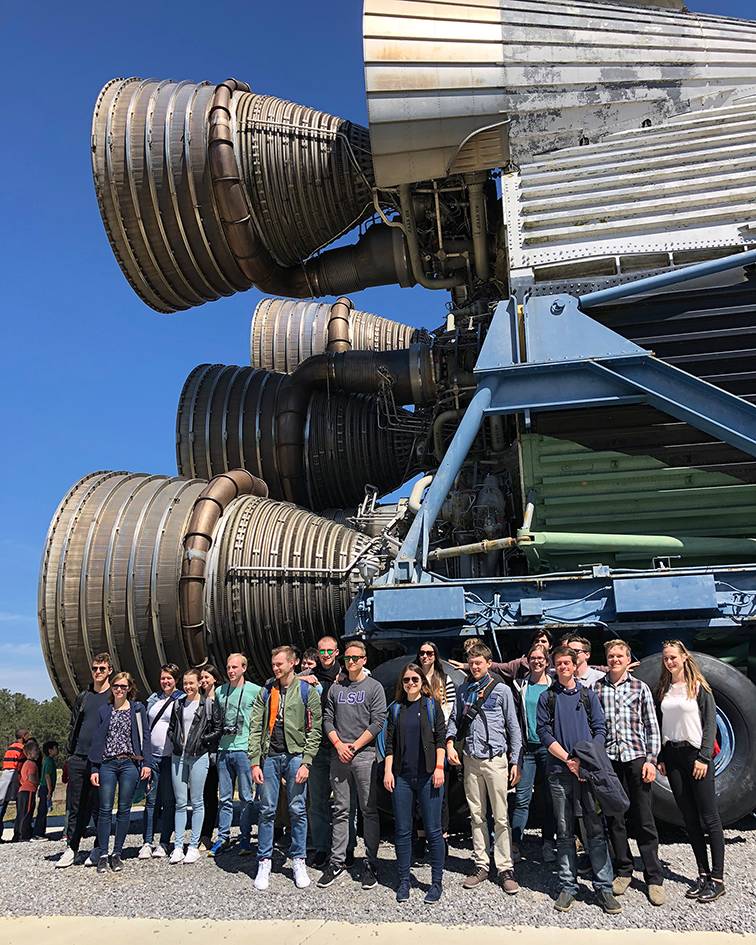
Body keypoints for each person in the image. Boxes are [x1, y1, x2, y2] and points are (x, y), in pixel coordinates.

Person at [536, 645, 620, 915]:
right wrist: (568, 760)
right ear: (554, 666)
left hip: (587, 773)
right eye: (558, 663)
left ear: (574, 665)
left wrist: (585, 759)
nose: (562, 667)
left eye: (567, 663)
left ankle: (604, 887)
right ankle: (568, 886)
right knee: (564, 831)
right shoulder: (547, 698)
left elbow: (600, 728)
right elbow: (544, 733)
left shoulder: (588, 695)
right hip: (560, 772)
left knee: (595, 829)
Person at [447, 642, 522, 895]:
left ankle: (505, 868)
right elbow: (454, 720)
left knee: (500, 817)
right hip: (471, 759)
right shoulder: (463, 689)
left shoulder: (500, 690)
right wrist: (449, 744)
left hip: (495, 760)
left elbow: (513, 726)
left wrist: (515, 761)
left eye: (479, 662)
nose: (475, 666)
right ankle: (481, 864)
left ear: (488, 663)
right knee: (477, 815)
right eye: (472, 662)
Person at [595, 639, 664, 906]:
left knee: (644, 818)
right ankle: (623, 870)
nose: (615, 660)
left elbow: (651, 725)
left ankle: (654, 877)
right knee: (615, 818)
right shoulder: (597, 688)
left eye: (619, 656)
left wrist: (651, 760)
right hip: (610, 760)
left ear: (627, 658)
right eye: (611, 656)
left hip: (636, 758)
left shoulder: (640, 687)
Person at [249, 645, 323, 891]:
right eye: (273, 664)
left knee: (298, 809)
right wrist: (254, 761)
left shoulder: (306, 691)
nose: (275, 668)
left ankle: (298, 860)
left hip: (295, 756)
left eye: (279, 664)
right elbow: (255, 727)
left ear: (293, 663)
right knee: (267, 810)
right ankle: (264, 860)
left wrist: (307, 761)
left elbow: (315, 728)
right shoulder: (266, 692)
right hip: (269, 757)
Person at [656, 640, 724, 902]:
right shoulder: (665, 688)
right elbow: (665, 724)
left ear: (684, 657)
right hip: (673, 756)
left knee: (709, 817)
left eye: (673, 657)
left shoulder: (699, 687)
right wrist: (662, 755)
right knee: (689, 818)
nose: (669, 662)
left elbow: (710, 726)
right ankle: (703, 874)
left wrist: (704, 757)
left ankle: (718, 879)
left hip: (696, 755)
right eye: (666, 659)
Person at [318, 640, 387, 890]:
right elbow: (327, 719)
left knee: (369, 810)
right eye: (348, 658)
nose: (352, 662)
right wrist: (338, 745)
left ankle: (370, 861)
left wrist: (354, 746)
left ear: (364, 660)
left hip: (364, 756)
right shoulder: (337, 689)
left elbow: (378, 722)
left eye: (356, 658)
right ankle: (337, 861)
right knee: (340, 810)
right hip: (340, 756)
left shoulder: (374, 687)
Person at [384, 662, 446, 903]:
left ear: (422, 682)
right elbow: (390, 744)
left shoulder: (431, 706)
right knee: (402, 830)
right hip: (402, 777)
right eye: (407, 680)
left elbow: (440, 738)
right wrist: (388, 772)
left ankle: (436, 883)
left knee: (433, 830)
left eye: (415, 680)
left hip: (429, 775)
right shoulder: (396, 709)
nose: (410, 683)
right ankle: (404, 881)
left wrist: (439, 767)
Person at [89, 672, 152, 873]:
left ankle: (117, 853)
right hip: (107, 763)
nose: (119, 690)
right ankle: (103, 854)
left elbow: (146, 738)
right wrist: (94, 768)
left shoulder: (137, 709)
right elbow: (97, 741)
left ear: (129, 689)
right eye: (116, 686)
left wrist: (147, 764)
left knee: (124, 809)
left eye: (123, 687)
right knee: (105, 810)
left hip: (129, 764)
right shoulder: (104, 710)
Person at [56, 652, 113, 869]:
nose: (98, 672)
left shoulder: (113, 697)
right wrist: (70, 755)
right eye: (95, 668)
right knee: (75, 806)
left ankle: (99, 848)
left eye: (102, 669)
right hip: (79, 758)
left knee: (100, 805)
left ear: (109, 671)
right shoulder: (84, 696)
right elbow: (74, 724)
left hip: (101, 760)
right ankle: (72, 848)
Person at [167, 668, 222, 864]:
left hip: (199, 756)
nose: (188, 686)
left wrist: (202, 741)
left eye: (191, 683)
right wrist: (174, 741)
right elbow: (172, 728)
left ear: (199, 683)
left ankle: (193, 845)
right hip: (178, 756)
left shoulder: (208, 704)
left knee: (197, 801)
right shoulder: (178, 704)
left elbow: (218, 728)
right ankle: (178, 846)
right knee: (180, 802)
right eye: (185, 683)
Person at [211, 653, 261, 856]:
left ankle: (245, 838)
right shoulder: (220, 691)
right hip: (224, 749)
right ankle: (223, 837)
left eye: (235, 667)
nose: (231, 671)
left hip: (244, 749)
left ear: (244, 668)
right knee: (224, 797)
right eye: (228, 667)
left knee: (246, 797)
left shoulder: (255, 691)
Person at [510, 644, 556, 864]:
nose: (537, 661)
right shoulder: (520, 685)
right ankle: (515, 844)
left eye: (541, 658)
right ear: (527, 661)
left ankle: (548, 843)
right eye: (533, 657)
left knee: (549, 799)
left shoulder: (554, 686)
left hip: (549, 749)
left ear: (547, 662)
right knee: (521, 798)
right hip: (527, 749)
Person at [300, 635, 342, 868]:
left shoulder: (346, 676)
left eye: (329, 651)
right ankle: (321, 848)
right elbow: (278, 683)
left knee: (345, 803)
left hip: (340, 747)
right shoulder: (307, 679)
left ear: (337, 652)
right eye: (322, 651)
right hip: (316, 748)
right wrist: (303, 678)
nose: (326, 655)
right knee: (317, 802)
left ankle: (345, 849)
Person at [414, 641, 456, 851]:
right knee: (419, 792)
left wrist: (444, 738)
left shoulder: (444, 680)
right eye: (422, 653)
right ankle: (421, 835)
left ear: (435, 656)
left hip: (437, 740)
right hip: (416, 742)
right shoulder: (413, 679)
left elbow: (449, 711)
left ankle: (442, 836)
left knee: (441, 792)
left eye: (429, 653)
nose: (425, 656)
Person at [140, 664, 184, 859]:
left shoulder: (181, 699)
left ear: (176, 680)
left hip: (170, 758)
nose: (165, 681)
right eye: (163, 678)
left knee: (168, 801)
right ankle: (147, 842)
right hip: (153, 757)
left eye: (169, 678)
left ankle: (164, 842)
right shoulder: (153, 699)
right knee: (150, 801)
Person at [198, 664, 223, 848]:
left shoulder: (222, 697)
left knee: (227, 795)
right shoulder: (198, 699)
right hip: (204, 753)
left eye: (207, 677)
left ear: (215, 678)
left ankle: (224, 834)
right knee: (208, 794)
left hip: (221, 751)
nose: (204, 681)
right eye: (202, 678)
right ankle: (206, 835)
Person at [0, 728, 30, 840]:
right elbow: (22, 764)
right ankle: (19, 834)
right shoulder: (22, 749)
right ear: (23, 737)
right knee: (20, 805)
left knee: (2, 804)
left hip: (5, 776)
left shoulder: (10, 747)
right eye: (27, 735)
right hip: (15, 777)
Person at [13, 739, 40, 841]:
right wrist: (37, 783)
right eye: (36, 750)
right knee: (27, 813)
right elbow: (31, 777)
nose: (38, 752)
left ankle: (18, 834)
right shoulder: (32, 764)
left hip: (22, 791)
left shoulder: (26, 763)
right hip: (28, 791)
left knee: (21, 813)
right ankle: (24, 835)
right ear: (29, 753)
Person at [32, 740, 59, 840]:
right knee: (42, 811)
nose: (57, 750)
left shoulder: (49, 760)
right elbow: (47, 776)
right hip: (45, 788)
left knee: (43, 811)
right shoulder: (48, 761)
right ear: (50, 750)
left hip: (46, 788)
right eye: (56, 748)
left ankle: (41, 832)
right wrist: (49, 790)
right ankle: (37, 833)